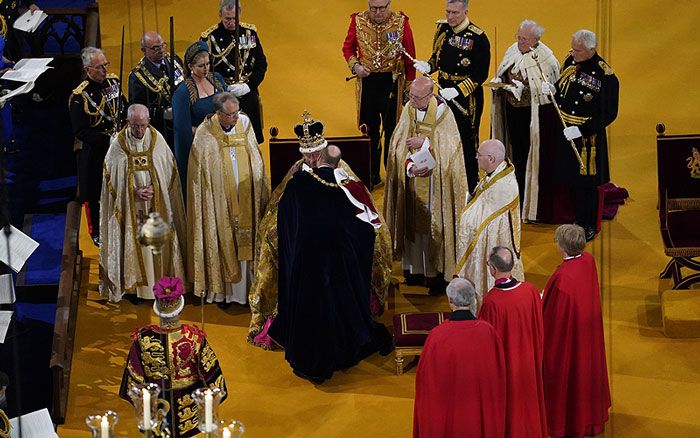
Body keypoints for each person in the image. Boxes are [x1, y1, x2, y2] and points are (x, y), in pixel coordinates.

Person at [247, 113, 392, 349]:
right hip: (308, 239)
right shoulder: (297, 173)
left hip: (334, 238)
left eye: (315, 154)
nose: (312, 159)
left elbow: (359, 203)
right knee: (273, 244)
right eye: (307, 155)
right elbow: (279, 208)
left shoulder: (340, 170)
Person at [268, 137, 392, 383]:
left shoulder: (297, 184)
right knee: (339, 304)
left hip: (307, 260)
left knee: (311, 307)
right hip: (338, 262)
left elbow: (284, 221)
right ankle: (341, 350)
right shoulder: (350, 189)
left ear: (318, 159)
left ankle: (309, 357)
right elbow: (369, 229)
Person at [383, 76, 466, 294]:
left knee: (432, 226)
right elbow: (397, 144)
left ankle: (436, 276)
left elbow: (451, 151)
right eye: (410, 95)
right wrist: (409, 166)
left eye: (418, 97)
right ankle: (414, 272)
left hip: (435, 186)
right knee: (413, 225)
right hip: (412, 180)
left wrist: (426, 144)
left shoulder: (443, 113)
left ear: (430, 95)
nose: (412, 100)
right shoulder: (409, 109)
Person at [99, 104, 187, 304]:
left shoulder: (157, 140)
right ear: (128, 122)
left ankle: (161, 283)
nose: (139, 130)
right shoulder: (118, 145)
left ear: (148, 122)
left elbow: (169, 170)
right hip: (132, 208)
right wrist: (133, 191)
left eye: (143, 125)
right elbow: (110, 180)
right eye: (135, 125)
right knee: (137, 244)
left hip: (156, 205)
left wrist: (156, 188)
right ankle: (138, 289)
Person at [187, 92, 268, 308]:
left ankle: (251, 287)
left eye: (237, 112)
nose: (235, 117)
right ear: (218, 114)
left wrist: (257, 185)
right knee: (223, 239)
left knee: (247, 238)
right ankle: (225, 293)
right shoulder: (205, 133)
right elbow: (200, 176)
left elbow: (256, 158)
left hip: (246, 198)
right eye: (230, 114)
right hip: (219, 202)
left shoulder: (245, 123)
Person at [120, 276, 227, 438]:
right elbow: (214, 381)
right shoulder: (195, 339)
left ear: (156, 305)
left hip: (155, 414)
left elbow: (133, 385)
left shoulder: (142, 339)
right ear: (181, 307)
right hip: (189, 416)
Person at [545, 29, 619, 241]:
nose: (573, 53)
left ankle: (589, 224)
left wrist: (582, 129)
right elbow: (564, 89)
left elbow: (609, 113)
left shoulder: (605, 76)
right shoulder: (570, 60)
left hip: (588, 138)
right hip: (567, 130)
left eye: (578, 50)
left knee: (588, 182)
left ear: (591, 50)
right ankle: (577, 217)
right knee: (571, 177)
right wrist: (552, 90)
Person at [413, 278, 506, 437]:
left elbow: (426, 382)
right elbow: (498, 378)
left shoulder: (437, 336)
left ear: (450, 302)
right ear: (472, 300)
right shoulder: (489, 332)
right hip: (478, 411)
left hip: (449, 414)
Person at [413, 0, 489, 192]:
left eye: (455, 12)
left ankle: (470, 185)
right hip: (443, 91)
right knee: (441, 134)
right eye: (448, 12)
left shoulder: (478, 37)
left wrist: (458, 90)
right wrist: (429, 66)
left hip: (465, 98)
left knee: (466, 140)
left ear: (465, 12)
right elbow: (437, 56)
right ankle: (446, 181)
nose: (450, 16)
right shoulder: (443, 30)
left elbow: (481, 74)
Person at [542, 224, 610, 437]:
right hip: (588, 332)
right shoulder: (588, 261)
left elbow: (553, 318)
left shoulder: (563, 278)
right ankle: (590, 420)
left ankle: (567, 424)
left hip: (570, 337)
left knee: (566, 375)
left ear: (561, 247)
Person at [490, 19, 560, 222]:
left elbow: (548, 91)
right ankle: (513, 191)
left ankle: (529, 199)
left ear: (536, 39)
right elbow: (504, 73)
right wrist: (500, 83)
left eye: (524, 39)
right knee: (514, 152)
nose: (520, 42)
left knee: (528, 156)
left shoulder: (545, 59)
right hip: (512, 113)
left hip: (533, 118)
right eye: (518, 37)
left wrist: (526, 89)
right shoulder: (512, 50)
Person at [342, 0, 416, 186]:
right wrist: (356, 66)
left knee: (393, 129)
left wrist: (408, 88)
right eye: (373, 8)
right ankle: (371, 176)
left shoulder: (401, 22)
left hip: (392, 83)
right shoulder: (357, 20)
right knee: (369, 130)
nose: (378, 12)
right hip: (368, 82)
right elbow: (348, 49)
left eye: (382, 8)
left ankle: (393, 175)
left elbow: (409, 55)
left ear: (389, 4)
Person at [478, 246, 547, 438]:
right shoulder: (530, 291)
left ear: (492, 268)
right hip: (529, 361)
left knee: (511, 409)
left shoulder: (492, 302)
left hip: (508, 367)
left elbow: (485, 342)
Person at [70, 47, 127, 246]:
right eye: (100, 67)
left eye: (106, 65)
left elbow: (124, 108)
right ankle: (96, 230)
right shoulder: (79, 96)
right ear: (88, 70)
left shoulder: (113, 83)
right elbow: (81, 131)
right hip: (96, 151)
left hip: (119, 144)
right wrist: (105, 141)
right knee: (94, 192)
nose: (104, 70)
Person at [455, 139, 523, 306]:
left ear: (491, 159)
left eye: (479, 155)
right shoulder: (496, 172)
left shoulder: (505, 187)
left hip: (493, 240)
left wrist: (465, 217)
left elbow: (482, 220)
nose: (476, 157)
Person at [201, 0, 267, 144]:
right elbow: (203, 72)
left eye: (234, 18)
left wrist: (249, 85)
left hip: (247, 94)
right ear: (220, 15)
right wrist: (223, 88)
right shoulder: (209, 38)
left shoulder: (249, 33)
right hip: (223, 97)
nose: (231, 22)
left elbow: (261, 64)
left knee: (252, 140)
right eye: (227, 19)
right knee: (226, 140)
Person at [172, 41, 227, 191]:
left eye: (208, 64)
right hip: (202, 147)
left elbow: (229, 104)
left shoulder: (217, 79)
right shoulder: (183, 93)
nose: (206, 69)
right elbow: (183, 130)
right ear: (190, 67)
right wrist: (209, 131)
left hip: (224, 140)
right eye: (201, 66)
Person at [128, 30, 185, 146]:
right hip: (162, 130)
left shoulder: (174, 59)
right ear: (144, 50)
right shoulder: (137, 77)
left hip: (184, 121)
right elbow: (137, 109)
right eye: (155, 48)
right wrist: (163, 113)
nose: (161, 50)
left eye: (163, 45)